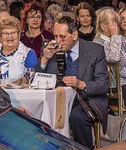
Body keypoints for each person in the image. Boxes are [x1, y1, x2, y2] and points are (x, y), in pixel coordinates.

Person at [38, 15, 109, 149]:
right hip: (59, 99)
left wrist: (81, 84)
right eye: (56, 36)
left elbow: (103, 85)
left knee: (77, 117)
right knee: (41, 113)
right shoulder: (54, 50)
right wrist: (44, 59)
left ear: (74, 35)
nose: (58, 41)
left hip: (87, 99)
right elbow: (41, 79)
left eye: (62, 37)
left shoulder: (95, 50)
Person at [0, 17, 38, 86]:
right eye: (5, 33)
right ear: (0, 36)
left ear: (19, 35)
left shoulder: (28, 54)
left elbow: (29, 78)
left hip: (19, 94)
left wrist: (11, 84)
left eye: (13, 32)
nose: (10, 36)